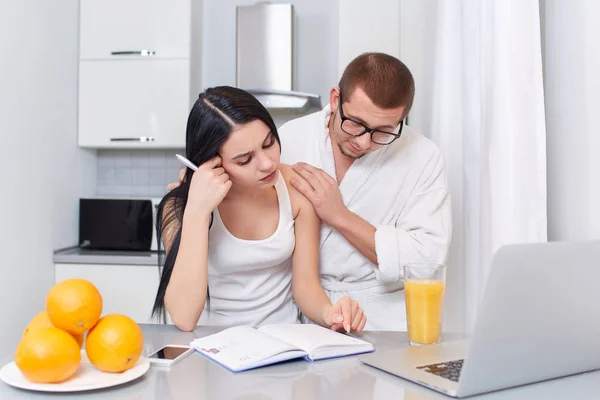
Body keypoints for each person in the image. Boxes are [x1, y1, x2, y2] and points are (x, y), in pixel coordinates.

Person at [170, 53, 452, 331]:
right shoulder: (294, 137)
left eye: (383, 131)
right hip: (291, 326)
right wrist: (194, 203)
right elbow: (184, 314)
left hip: (375, 317)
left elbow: (427, 262)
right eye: (354, 123)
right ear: (334, 100)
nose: (364, 141)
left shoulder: (422, 157)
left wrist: (338, 215)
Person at [152, 86, 366, 333]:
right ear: (211, 162)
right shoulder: (181, 206)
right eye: (244, 160)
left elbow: (306, 287)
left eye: (269, 143)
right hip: (212, 347)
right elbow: (184, 317)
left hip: (283, 344)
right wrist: (197, 213)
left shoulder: (295, 188)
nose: (267, 164)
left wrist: (330, 314)